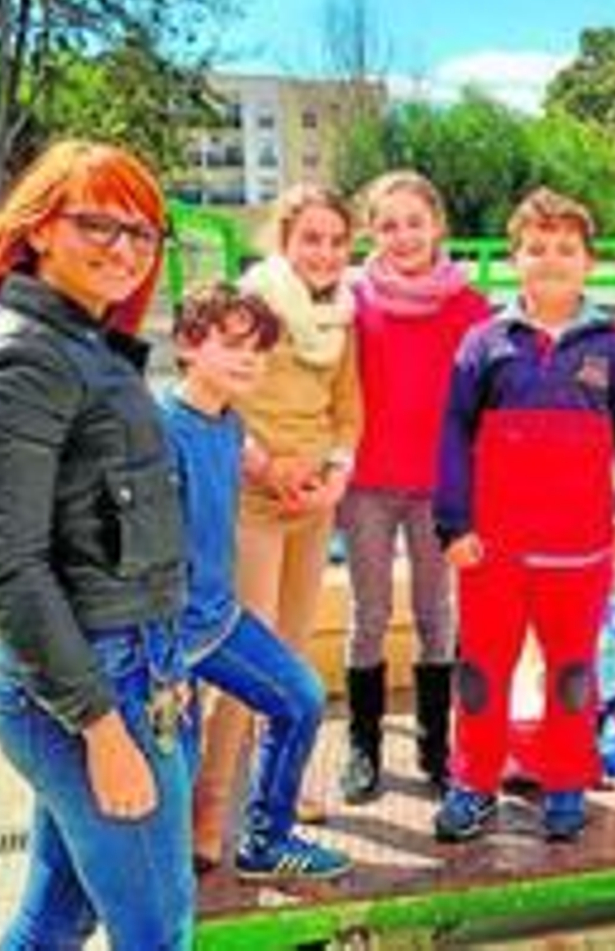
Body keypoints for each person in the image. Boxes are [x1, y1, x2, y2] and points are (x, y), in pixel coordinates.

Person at [0, 140, 194, 947]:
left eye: (143, 233)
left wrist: (165, 663)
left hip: (125, 663)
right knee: (159, 925)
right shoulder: (24, 359)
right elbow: (9, 567)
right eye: (99, 224)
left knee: (57, 914)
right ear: (41, 228)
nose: (125, 249)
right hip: (86, 685)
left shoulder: (80, 343)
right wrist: (101, 726)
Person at [433, 187, 615, 843]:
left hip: (579, 550)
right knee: (481, 671)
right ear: (514, 260)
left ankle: (566, 782)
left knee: (571, 671)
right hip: (492, 551)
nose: (551, 260)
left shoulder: (613, 345)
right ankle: (473, 785)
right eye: (537, 248)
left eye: (566, 249)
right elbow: (452, 434)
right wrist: (453, 525)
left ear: (589, 262)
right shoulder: (485, 342)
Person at [192, 185, 362, 868]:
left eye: (335, 241)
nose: (323, 253)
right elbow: (217, 396)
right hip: (255, 501)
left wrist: (338, 474)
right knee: (249, 653)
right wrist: (267, 467)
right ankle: (209, 804)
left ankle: (275, 792)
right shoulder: (252, 306)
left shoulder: (341, 318)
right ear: (283, 241)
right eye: (310, 238)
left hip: (312, 502)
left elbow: (348, 409)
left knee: (290, 656)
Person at [161, 285, 352, 881]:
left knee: (301, 696)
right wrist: (166, 665)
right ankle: (166, 875)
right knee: (176, 762)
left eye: (259, 351)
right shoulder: (158, 431)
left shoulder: (228, 421)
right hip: (171, 635)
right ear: (188, 346)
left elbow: (245, 451)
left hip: (221, 619)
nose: (249, 360)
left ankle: (266, 841)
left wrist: (286, 473)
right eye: (232, 344)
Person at [337, 171, 490, 804]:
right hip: (368, 484)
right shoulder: (350, 299)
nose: (403, 236)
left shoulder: (469, 306)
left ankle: (434, 745)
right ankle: (363, 746)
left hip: (438, 488)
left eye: (414, 222)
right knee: (369, 614)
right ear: (372, 232)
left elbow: (489, 398)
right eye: (388, 224)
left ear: (437, 226)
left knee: (436, 614)